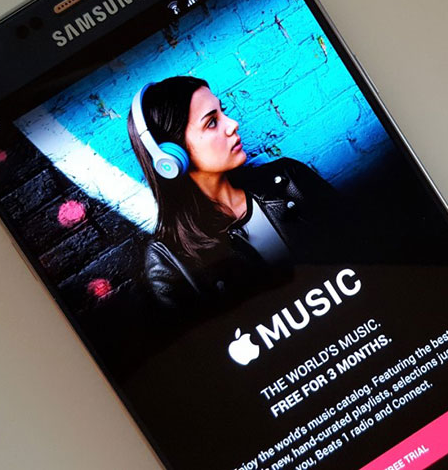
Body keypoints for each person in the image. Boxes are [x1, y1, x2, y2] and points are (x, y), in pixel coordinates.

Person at [127, 76, 343, 317]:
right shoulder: (168, 262)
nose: (233, 124)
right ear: (171, 157)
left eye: (223, 112)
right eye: (211, 122)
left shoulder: (289, 180)